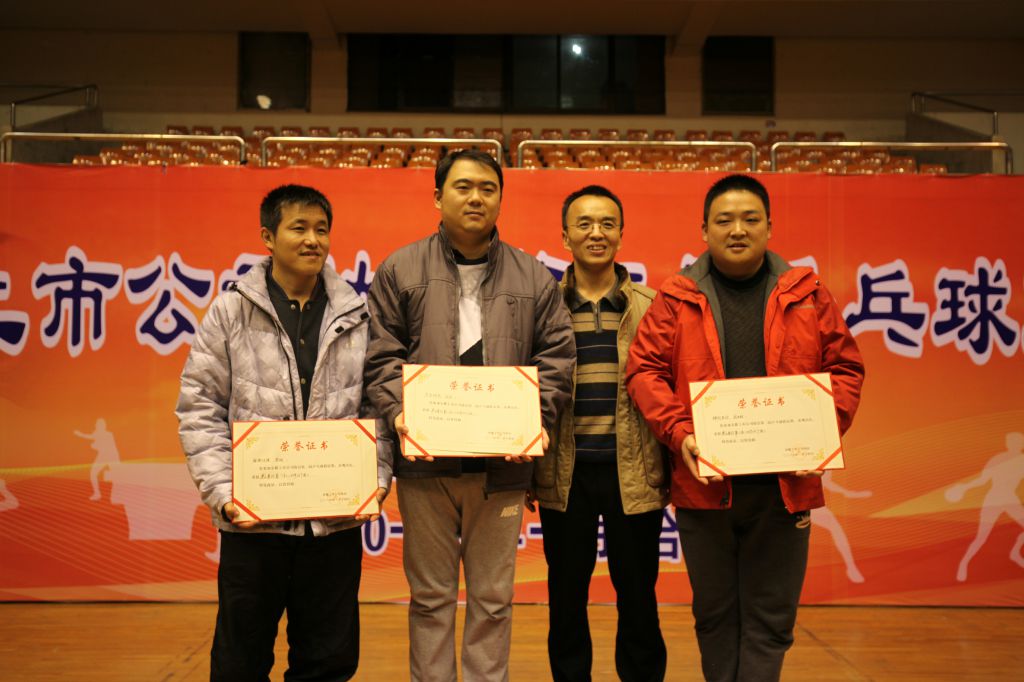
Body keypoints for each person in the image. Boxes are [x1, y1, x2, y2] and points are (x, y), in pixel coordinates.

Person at [625, 174, 865, 682]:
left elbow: (845, 369)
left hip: (785, 488)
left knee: (771, 620)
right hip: (705, 485)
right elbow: (644, 371)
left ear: (770, 227)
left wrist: (822, 433)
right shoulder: (677, 297)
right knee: (714, 616)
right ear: (704, 230)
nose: (738, 230)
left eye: (750, 219)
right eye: (725, 220)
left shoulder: (807, 294)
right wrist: (680, 435)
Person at [364, 149, 575, 682]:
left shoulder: (533, 276)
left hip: (503, 469)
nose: (476, 197)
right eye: (463, 187)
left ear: (501, 198)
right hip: (425, 467)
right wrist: (400, 411)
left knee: (493, 599)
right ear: (438, 197)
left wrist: (534, 420)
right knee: (431, 598)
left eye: (488, 187)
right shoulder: (400, 269)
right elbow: (380, 355)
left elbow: (557, 357)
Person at [176, 184, 392, 682]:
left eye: (321, 229)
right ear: (268, 237)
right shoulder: (230, 312)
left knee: (328, 661)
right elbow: (199, 407)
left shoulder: (358, 315)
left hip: (333, 524)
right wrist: (224, 493)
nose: (313, 240)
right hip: (254, 525)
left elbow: (377, 408)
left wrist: (375, 480)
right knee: (240, 662)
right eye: (299, 228)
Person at [533, 185, 668, 682]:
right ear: (564, 235)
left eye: (608, 224)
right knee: (566, 597)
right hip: (564, 474)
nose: (597, 233)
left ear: (621, 234)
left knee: (638, 595)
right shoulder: (543, 307)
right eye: (585, 223)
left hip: (633, 473)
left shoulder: (652, 306)